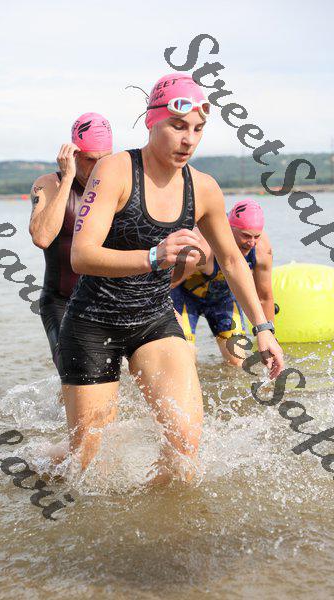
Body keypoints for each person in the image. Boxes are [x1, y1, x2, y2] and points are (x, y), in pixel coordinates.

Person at [56, 74, 284, 484]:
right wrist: (153, 256)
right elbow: (81, 255)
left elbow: (232, 261)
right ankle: (39, 460)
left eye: (197, 129)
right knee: (86, 462)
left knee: (184, 444)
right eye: (178, 126)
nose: (188, 140)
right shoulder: (116, 170)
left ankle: (160, 520)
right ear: (152, 121)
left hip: (154, 320)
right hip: (93, 323)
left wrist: (263, 328)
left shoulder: (204, 188)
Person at [29, 113, 113, 383]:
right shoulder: (48, 184)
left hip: (110, 300)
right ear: (74, 155)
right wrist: (68, 179)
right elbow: (42, 237)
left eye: (104, 159)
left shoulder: (116, 185)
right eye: (90, 159)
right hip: (62, 302)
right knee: (75, 374)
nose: (98, 167)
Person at [171, 199, 274, 366]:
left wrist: (269, 336)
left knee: (238, 361)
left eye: (256, 236)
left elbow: (264, 297)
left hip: (223, 300)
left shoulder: (261, 250)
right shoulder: (201, 249)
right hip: (184, 298)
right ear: (228, 229)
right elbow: (164, 287)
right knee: (185, 358)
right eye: (245, 235)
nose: (251, 243)